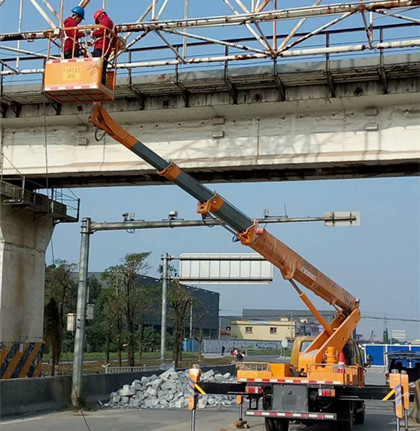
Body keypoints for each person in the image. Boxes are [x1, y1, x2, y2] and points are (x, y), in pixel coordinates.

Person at [92, 9, 115, 85]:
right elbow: (114, 39)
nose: (99, 22)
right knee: (103, 67)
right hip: (107, 49)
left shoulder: (105, 20)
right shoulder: (113, 25)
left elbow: (102, 31)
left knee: (96, 65)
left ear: (100, 16)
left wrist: (94, 33)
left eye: (98, 20)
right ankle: (102, 83)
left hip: (100, 46)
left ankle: (96, 81)